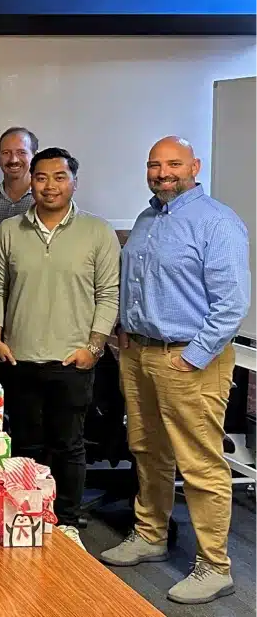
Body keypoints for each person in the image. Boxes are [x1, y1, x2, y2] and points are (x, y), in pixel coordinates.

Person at [100, 136, 250, 605]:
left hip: (189, 358)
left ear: (194, 166)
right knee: (147, 449)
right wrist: (123, 328)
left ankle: (215, 565)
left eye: (173, 164)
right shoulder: (146, 219)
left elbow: (232, 306)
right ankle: (150, 535)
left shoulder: (217, 222)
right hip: (141, 354)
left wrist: (193, 356)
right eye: (155, 165)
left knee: (200, 463)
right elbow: (140, 284)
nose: (163, 172)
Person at [0, 147, 120, 548]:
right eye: (41, 177)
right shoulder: (10, 230)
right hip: (19, 356)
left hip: (72, 358)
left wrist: (93, 348)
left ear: (74, 181)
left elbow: (108, 294)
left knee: (68, 445)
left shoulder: (98, 232)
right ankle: (26, 515)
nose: (49, 186)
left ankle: (67, 521)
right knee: (25, 443)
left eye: (59, 177)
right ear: (31, 181)